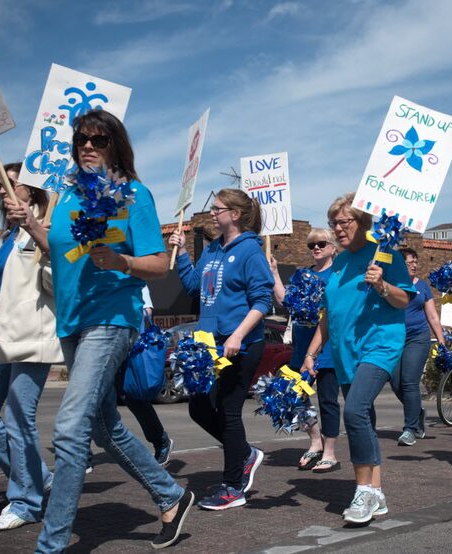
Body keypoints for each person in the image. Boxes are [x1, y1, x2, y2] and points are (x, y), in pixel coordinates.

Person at [37, 110, 193, 552]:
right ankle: (171, 496)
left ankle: (51, 545)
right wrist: (30, 224)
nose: (88, 145)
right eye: (82, 139)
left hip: (111, 318)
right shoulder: (67, 196)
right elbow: (60, 248)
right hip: (70, 320)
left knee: (70, 430)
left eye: (99, 140)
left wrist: (121, 260)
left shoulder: (133, 195)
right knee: (105, 430)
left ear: (116, 146)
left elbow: (160, 265)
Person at [300, 193, 414, 523]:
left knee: (354, 410)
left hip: (380, 344)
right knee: (364, 419)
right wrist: (312, 351)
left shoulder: (384, 251)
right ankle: (376, 492)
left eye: (343, 222)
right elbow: (330, 314)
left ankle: (363, 491)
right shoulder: (339, 264)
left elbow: (405, 299)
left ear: (362, 222)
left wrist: (382, 286)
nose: (337, 229)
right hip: (345, 352)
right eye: (333, 223)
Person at [0, 163, 62, 531]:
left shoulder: (47, 225)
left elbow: (59, 284)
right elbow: (11, 287)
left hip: (33, 337)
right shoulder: (8, 235)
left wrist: (39, 237)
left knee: (18, 418)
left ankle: (26, 502)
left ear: (32, 190)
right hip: (2, 336)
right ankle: (37, 477)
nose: (3, 193)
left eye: (11, 185)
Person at [169, 188, 273, 510]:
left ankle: (233, 487)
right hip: (208, 344)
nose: (212, 213)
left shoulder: (250, 252)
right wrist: (183, 253)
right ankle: (244, 453)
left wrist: (238, 335)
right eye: (213, 208)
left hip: (239, 344)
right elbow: (193, 287)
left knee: (229, 412)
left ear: (235, 215)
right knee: (198, 408)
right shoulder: (213, 248)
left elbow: (262, 302)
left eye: (217, 208)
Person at [270, 228, 341, 472]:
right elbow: (285, 301)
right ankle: (315, 440)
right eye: (312, 245)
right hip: (301, 346)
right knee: (292, 394)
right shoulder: (303, 274)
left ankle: (330, 453)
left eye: (321, 243)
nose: (316, 248)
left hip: (327, 345)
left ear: (333, 247)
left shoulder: (337, 274)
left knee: (327, 399)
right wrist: (275, 274)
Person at [391, 247, 446, 446]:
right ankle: (417, 412)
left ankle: (410, 429)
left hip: (418, 338)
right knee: (395, 382)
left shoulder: (422, 286)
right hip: (395, 339)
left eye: (415, 261)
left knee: (409, 381)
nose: (414, 265)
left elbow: (432, 315)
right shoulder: (390, 286)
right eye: (409, 262)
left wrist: (440, 340)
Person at [116, 286, 174, 465]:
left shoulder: (133, 276)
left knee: (133, 398)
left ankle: (160, 440)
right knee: (94, 399)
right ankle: (81, 453)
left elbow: (146, 310)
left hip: (128, 345)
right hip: (106, 342)